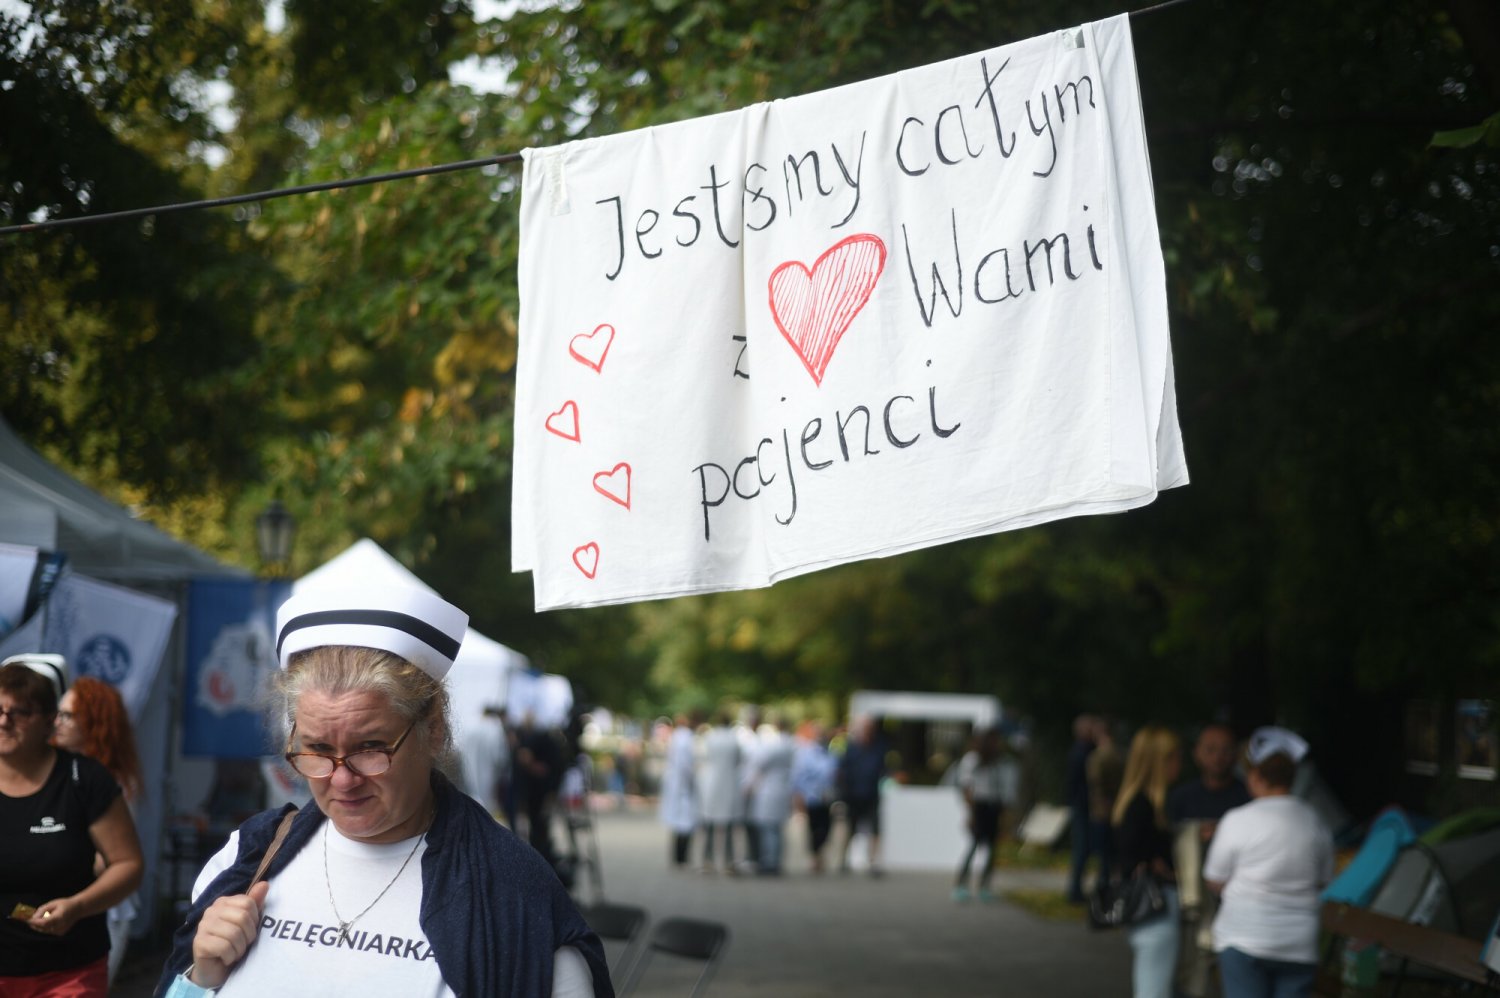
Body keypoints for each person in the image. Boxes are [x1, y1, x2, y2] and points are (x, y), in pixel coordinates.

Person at [156, 585, 611, 997]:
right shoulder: (250, 856)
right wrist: (201, 978)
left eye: (370, 748)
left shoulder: (512, 892)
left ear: (432, 730)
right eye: (316, 749)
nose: (341, 779)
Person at [0, 654, 144, 997]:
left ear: (49, 721)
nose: (4, 721)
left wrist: (78, 906)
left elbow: (129, 865)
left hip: (66, 972)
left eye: (20, 713)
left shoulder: (83, 778)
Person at [1204, 727, 1333, 998]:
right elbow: (1323, 879)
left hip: (1244, 937)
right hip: (1298, 943)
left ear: (1256, 776)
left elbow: (1214, 878)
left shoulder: (1237, 820)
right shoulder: (1316, 822)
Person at [51, 675, 144, 988]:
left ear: (94, 721)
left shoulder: (110, 782)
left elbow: (112, 860)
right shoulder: (51, 770)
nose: (58, 722)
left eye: (68, 715)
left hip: (101, 904)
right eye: (58, 713)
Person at [1167, 722, 1251, 997]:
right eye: (1210, 750)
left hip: (1237, 903)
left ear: (1236, 755)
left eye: (1225, 750)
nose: (1218, 757)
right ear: (1197, 754)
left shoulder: (1247, 798)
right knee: (1189, 973)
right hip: (1190, 903)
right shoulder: (1180, 797)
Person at [1112, 725, 1183, 998]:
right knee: (1154, 990)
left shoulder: (1132, 803)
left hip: (1144, 907)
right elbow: (1135, 859)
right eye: (1175, 757)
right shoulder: (1145, 807)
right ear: (1161, 761)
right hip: (1157, 905)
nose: (1180, 764)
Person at [952, 726, 1006, 903]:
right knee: (974, 845)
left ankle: (984, 886)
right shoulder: (972, 760)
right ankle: (961, 884)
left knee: (991, 848)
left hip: (992, 805)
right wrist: (971, 812)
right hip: (979, 806)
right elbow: (967, 787)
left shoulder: (996, 761)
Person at [837, 715, 887, 877]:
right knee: (850, 828)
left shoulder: (878, 748)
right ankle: (843, 860)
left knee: (875, 829)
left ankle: (873, 862)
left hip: (871, 794)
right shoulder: (851, 749)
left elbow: (882, 769)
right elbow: (843, 772)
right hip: (854, 795)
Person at [746, 715, 795, 875]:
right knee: (777, 829)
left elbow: (759, 764)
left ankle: (770, 862)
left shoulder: (775, 746)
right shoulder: (793, 744)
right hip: (783, 789)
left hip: (770, 791)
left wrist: (749, 785)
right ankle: (775, 860)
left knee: (769, 829)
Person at [696, 710, 741, 874]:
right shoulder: (733, 739)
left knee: (709, 823)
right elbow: (738, 760)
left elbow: (702, 758)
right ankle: (729, 862)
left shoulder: (710, 737)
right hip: (729, 783)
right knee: (728, 825)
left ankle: (708, 860)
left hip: (712, 783)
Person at [790, 723, 838, 874]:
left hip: (827, 797)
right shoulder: (807, 753)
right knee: (814, 828)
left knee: (826, 828)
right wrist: (799, 796)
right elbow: (800, 776)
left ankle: (818, 854)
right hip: (812, 797)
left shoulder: (831, 753)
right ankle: (815, 856)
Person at [1064, 713, 1099, 902]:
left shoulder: (1083, 751)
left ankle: (1077, 889)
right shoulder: (1082, 752)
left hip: (1083, 807)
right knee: (1081, 850)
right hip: (1084, 808)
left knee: (1083, 850)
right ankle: (1075, 890)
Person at [1086, 717, 1123, 891]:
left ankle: (1103, 890)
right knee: (1111, 855)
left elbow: (1096, 782)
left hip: (1103, 809)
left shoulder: (1099, 756)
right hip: (1115, 807)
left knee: (1104, 856)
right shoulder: (1118, 754)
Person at [659, 712, 698, 868]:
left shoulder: (676, 737)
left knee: (678, 823)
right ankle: (681, 857)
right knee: (685, 823)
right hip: (683, 787)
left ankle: (678, 856)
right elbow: (685, 764)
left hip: (677, 785)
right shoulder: (686, 737)